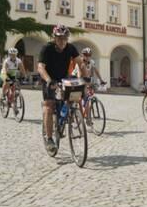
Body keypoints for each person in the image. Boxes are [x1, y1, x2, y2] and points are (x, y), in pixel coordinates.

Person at [37, 24, 84, 153]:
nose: (62, 41)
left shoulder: (71, 48)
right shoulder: (47, 48)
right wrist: (48, 80)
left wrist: (85, 78)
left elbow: (80, 63)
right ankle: (50, 139)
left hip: (64, 79)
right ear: (54, 38)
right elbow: (40, 67)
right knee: (49, 105)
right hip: (49, 79)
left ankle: (63, 120)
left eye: (65, 38)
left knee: (71, 99)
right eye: (59, 38)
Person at [73, 47, 106, 125]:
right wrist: (87, 83)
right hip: (76, 80)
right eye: (85, 55)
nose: (87, 56)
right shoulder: (80, 62)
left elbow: (96, 71)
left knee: (87, 100)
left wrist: (101, 80)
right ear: (82, 55)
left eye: (89, 55)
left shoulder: (91, 62)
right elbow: (79, 76)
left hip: (86, 80)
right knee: (79, 100)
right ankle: (80, 115)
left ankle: (87, 119)